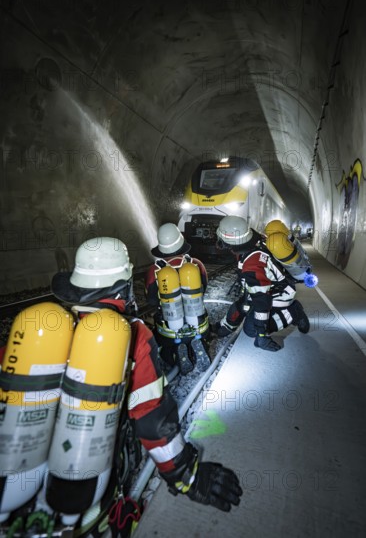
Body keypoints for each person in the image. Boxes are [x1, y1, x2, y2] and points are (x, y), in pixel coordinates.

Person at [47, 237, 242, 535]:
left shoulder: (46, 329)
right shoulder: (132, 335)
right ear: (123, 284)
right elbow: (152, 419)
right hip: (90, 473)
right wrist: (185, 475)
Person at [214, 216, 310, 351]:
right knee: (241, 306)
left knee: (251, 329)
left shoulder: (252, 266)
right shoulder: (254, 240)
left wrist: (261, 335)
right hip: (267, 285)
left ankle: (295, 312)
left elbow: (261, 301)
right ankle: (224, 327)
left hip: (279, 293)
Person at [145, 223, 211, 374]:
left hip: (169, 327)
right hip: (198, 322)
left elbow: (152, 301)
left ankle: (175, 354)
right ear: (181, 241)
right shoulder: (196, 264)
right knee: (201, 333)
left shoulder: (154, 270)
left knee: (165, 349)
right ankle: (200, 345)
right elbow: (203, 288)